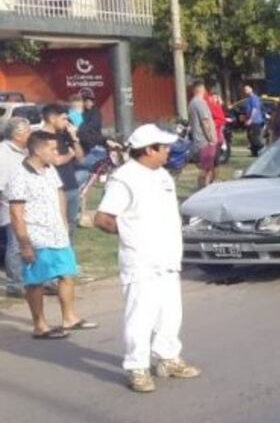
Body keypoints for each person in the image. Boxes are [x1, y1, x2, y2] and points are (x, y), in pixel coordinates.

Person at [93, 125, 200, 393]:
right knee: (140, 315)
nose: (167, 152)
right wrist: (133, 235)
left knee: (170, 312)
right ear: (148, 150)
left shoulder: (162, 175)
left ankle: (167, 358)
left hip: (167, 257)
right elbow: (103, 218)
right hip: (141, 260)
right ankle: (137, 367)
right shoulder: (125, 178)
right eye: (163, 148)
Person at [8, 131, 96, 339]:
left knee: (67, 274)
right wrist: (24, 244)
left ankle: (70, 318)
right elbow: (16, 213)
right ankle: (40, 325)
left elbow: (59, 193)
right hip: (36, 236)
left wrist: (64, 221)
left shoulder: (50, 170)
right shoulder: (20, 176)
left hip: (57, 233)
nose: (56, 153)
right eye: (52, 149)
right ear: (38, 150)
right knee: (36, 281)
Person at [39, 103, 83, 241]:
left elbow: (81, 158)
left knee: (71, 227)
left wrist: (74, 138)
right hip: (55, 190)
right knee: (57, 227)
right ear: (52, 118)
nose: (67, 122)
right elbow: (55, 161)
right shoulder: (38, 137)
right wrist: (69, 155)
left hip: (72, 187)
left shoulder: (64, 136)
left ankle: (69, 260)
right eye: (64, 119)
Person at [1, 117, 30, 297]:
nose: (30, 134)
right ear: (17, 135)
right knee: (15, 246)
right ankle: (16, 283)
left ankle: (29, 280)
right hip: (11, 207)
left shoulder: (24, 151)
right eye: (27, 131)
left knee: (27, 244)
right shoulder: (3, 154)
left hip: (29, 207)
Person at [188, 81, 218, 189]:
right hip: (204, 141)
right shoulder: (200, 102)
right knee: (205, 170)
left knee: (208, 169)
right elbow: (205, 121)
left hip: (199, 140)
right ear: (201, 89)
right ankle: (202, 191)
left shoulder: (192, 103)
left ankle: (205, 190)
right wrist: (211, 138)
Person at [243, 85, 266, 157]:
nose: (245, 91)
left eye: (247, 89)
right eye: (244, 90)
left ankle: (263, 147)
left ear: (251, 89)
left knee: (254, 137)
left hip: (255, 121)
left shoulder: (254, 98)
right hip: (249, 120)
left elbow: (254, 109)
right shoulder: (247, 99)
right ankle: (254, 153)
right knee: (249, 136)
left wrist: (251, 119)